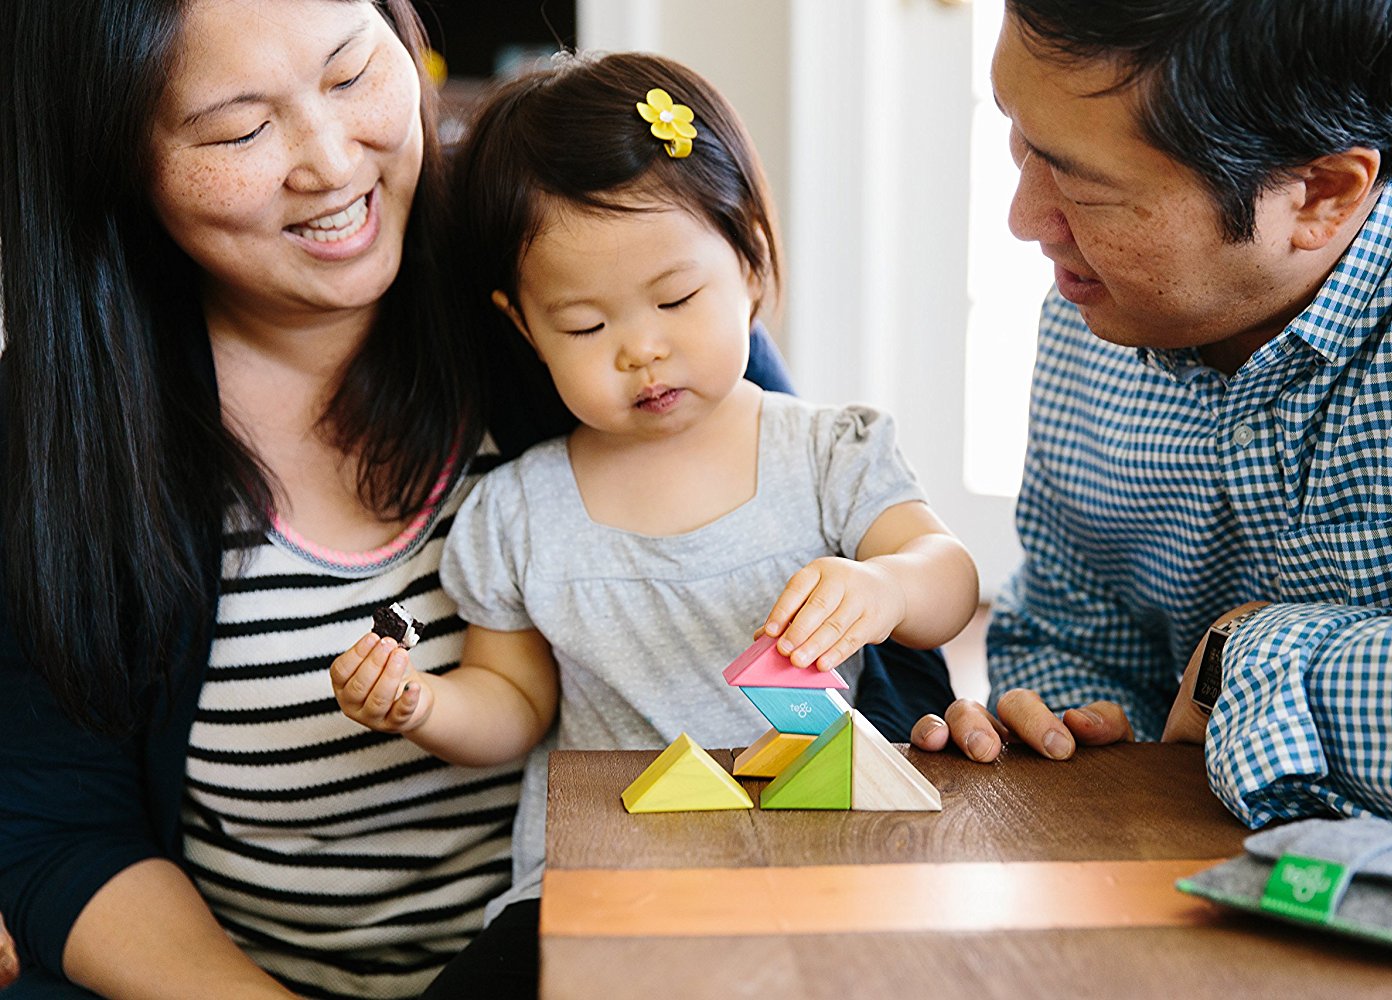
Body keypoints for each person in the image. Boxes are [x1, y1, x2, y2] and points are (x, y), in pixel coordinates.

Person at [0, 2, 812, 997]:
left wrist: (937, 715)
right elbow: (62, 830)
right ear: (116, 158)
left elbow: (809, 564)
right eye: (240, 130)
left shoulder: (573, 266)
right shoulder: (60, 425)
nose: (335, 163)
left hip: (604, 955)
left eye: (351, 75)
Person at [329, 52, 980, 995]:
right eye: (586, 327)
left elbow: (946, 579)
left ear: (750, 262)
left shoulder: (827, 452)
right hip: (589, 881)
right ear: (525, 328)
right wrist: (425, 706)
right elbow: (513, 707)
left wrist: (886, 586)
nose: (642, 348)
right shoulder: (519, 512)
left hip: (813, 852)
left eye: (677, 299)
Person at [912, 0, 1392, 839]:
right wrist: (1066, 727)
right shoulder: (1105, 301)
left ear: (1323, 194)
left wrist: (1236, 655)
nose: (1024, 220)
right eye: (1020, 136)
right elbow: (1069, 640)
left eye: (1081, 181)